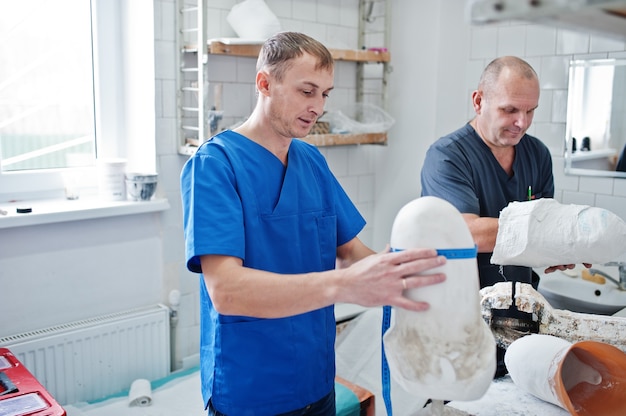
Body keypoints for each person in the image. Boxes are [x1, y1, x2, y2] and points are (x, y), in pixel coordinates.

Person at [180, 31, 446, 416]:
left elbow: (351, 251)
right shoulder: (215, 166)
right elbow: (227, 291)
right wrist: (346, 285)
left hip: (317, 379)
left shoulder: (312, 162)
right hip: (252, 390)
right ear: (264, 83)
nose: (318, 106)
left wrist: (403, 277)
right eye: (307, 91)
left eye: (325, 93)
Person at [420, 56, 580, 377]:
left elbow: (546, 224)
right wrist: (550, 234)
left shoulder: (537, 154)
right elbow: (468, 233)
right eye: (510, 110)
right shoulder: (448, 156)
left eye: (530, 111)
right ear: (479, 101)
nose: (522, 122)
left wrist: (560, 249)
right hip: (461, 320)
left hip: (520, 315)